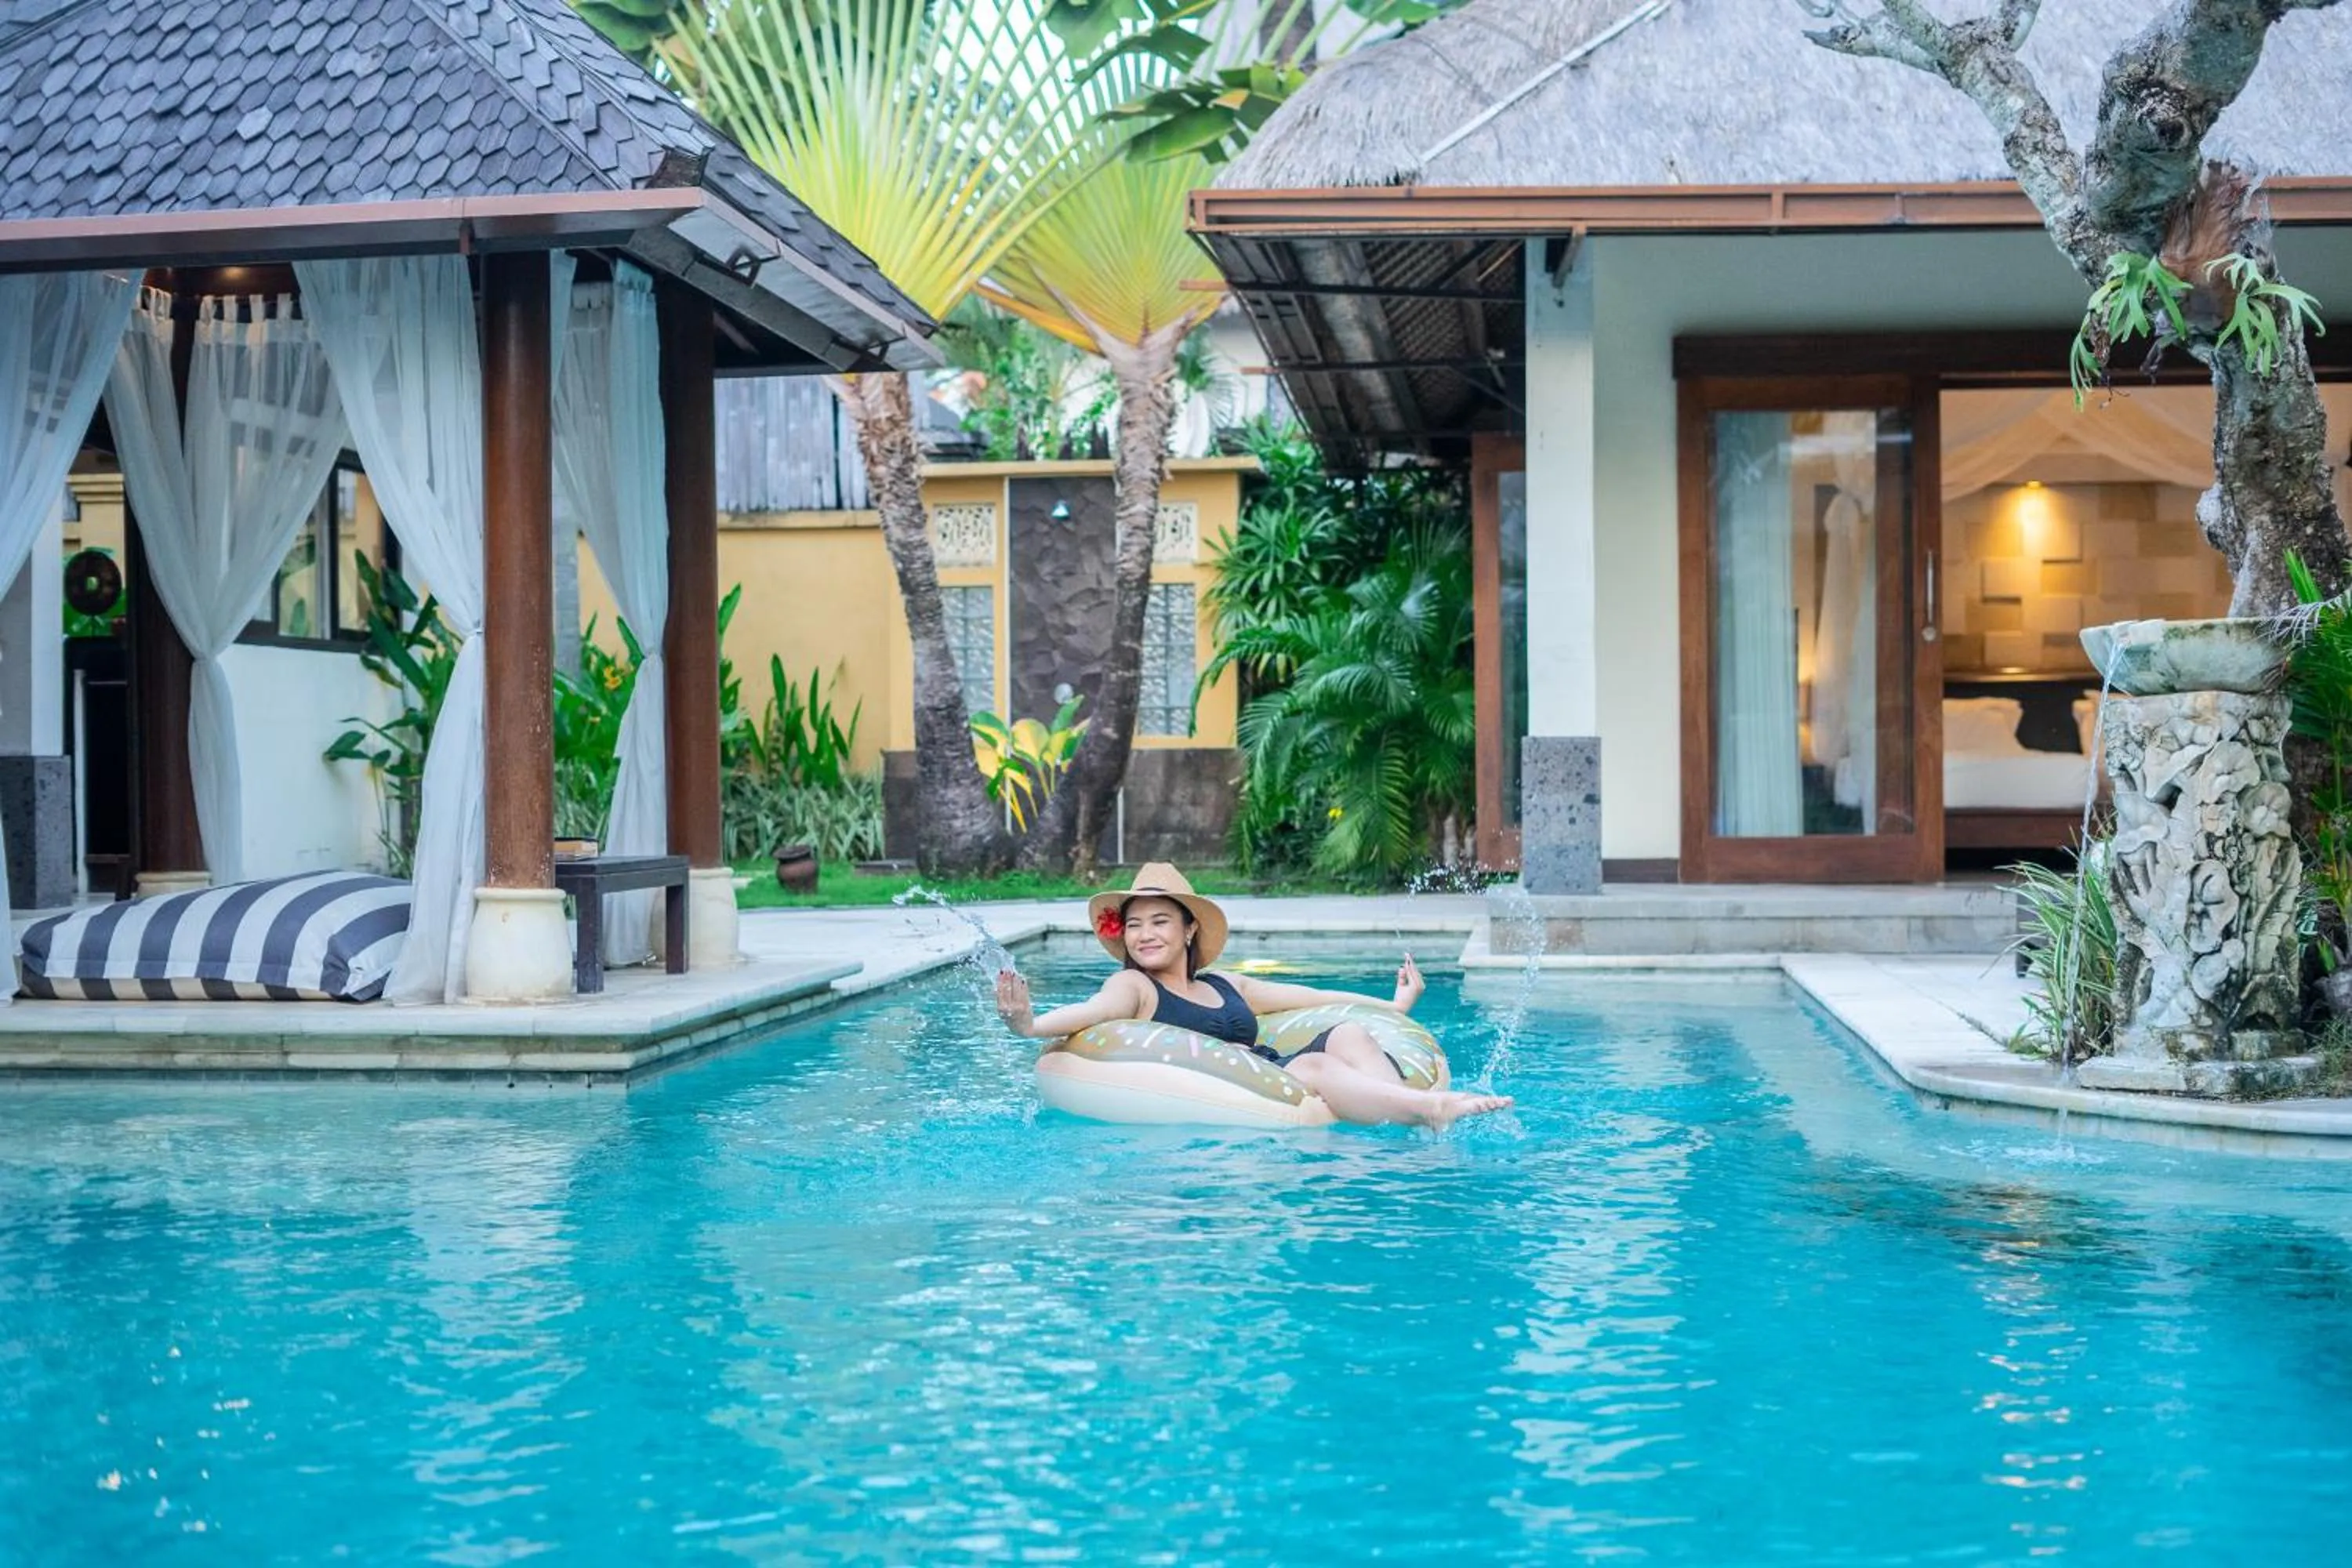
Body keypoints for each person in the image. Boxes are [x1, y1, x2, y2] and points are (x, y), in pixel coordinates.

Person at [993, 864, 1512, 1131]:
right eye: (1133, 925)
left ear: (1190, 928)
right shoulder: (1133, 987)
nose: (1144, 935)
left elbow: (1311, 997)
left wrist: (1392, 1007)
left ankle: (1404, 1120)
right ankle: (1429, 1109)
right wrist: (1029, 1025)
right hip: (1257, 1087)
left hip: (1272, 1069)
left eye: (1159, 922)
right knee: (1312, 1071)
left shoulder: (1226, 985)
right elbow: (1089, 1014)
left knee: (1348, 1033)